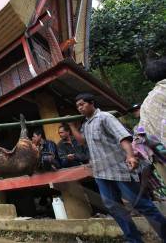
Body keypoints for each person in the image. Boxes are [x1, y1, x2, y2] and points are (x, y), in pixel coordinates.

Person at [69, 92, 166, 242]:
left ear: (92, 103)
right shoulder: (86, 124)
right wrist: (71, 126)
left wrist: (130, 155)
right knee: (113, 206)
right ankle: (133, 239)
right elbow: (83, 141)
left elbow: (123, 137)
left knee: (140, 203)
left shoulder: (105, 117)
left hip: (119, 169)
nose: (79, 108)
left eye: (82, 104)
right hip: (101, 172)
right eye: (77, 106)